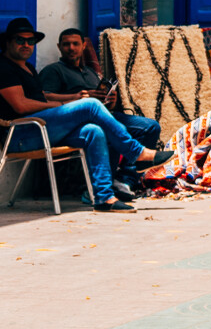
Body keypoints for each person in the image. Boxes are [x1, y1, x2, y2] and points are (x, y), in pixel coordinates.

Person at [0, 18, 172, 211]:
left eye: (30, 41)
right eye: (19, 40)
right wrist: (66, 103)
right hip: (21, 135)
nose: (26, 45)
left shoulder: (29, 68)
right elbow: (20, 106)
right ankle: (137, 152)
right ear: (7, 42)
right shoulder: (4, 67)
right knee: (89, 105)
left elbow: (41, 100)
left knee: (93, 131)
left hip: (42, 128)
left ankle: (103, 198)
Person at [40, 28, 161, 195]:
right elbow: (45, 97)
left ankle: (126, 181)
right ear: (59, 47)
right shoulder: (54, 70)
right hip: (79, 121)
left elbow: (102, 101)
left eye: (75, 44)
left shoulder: (90, 72)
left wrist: (111, 101)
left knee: (150, 127)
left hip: (105, 114)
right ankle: (107, 183)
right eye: (66, 44)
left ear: (83, 46)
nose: (71, 48)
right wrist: (78, 97)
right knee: (110, 130)